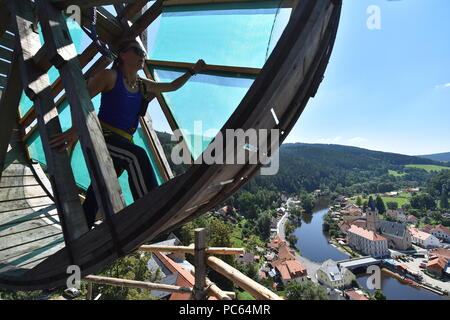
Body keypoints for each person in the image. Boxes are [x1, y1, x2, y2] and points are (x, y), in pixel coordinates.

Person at [50, 39, 206, 229]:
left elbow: (171, 86)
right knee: (136, 155)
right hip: (104, 137)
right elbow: (82, 101)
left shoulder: (142, 85)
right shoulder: (110, 76)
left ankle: (83, 226)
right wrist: (76, 132)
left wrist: (192, 71)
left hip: (123, 142)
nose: (142, 55)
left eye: (143, 52)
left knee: (101, 187)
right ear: (122, 54)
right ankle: (148, 210)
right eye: (137, 51)